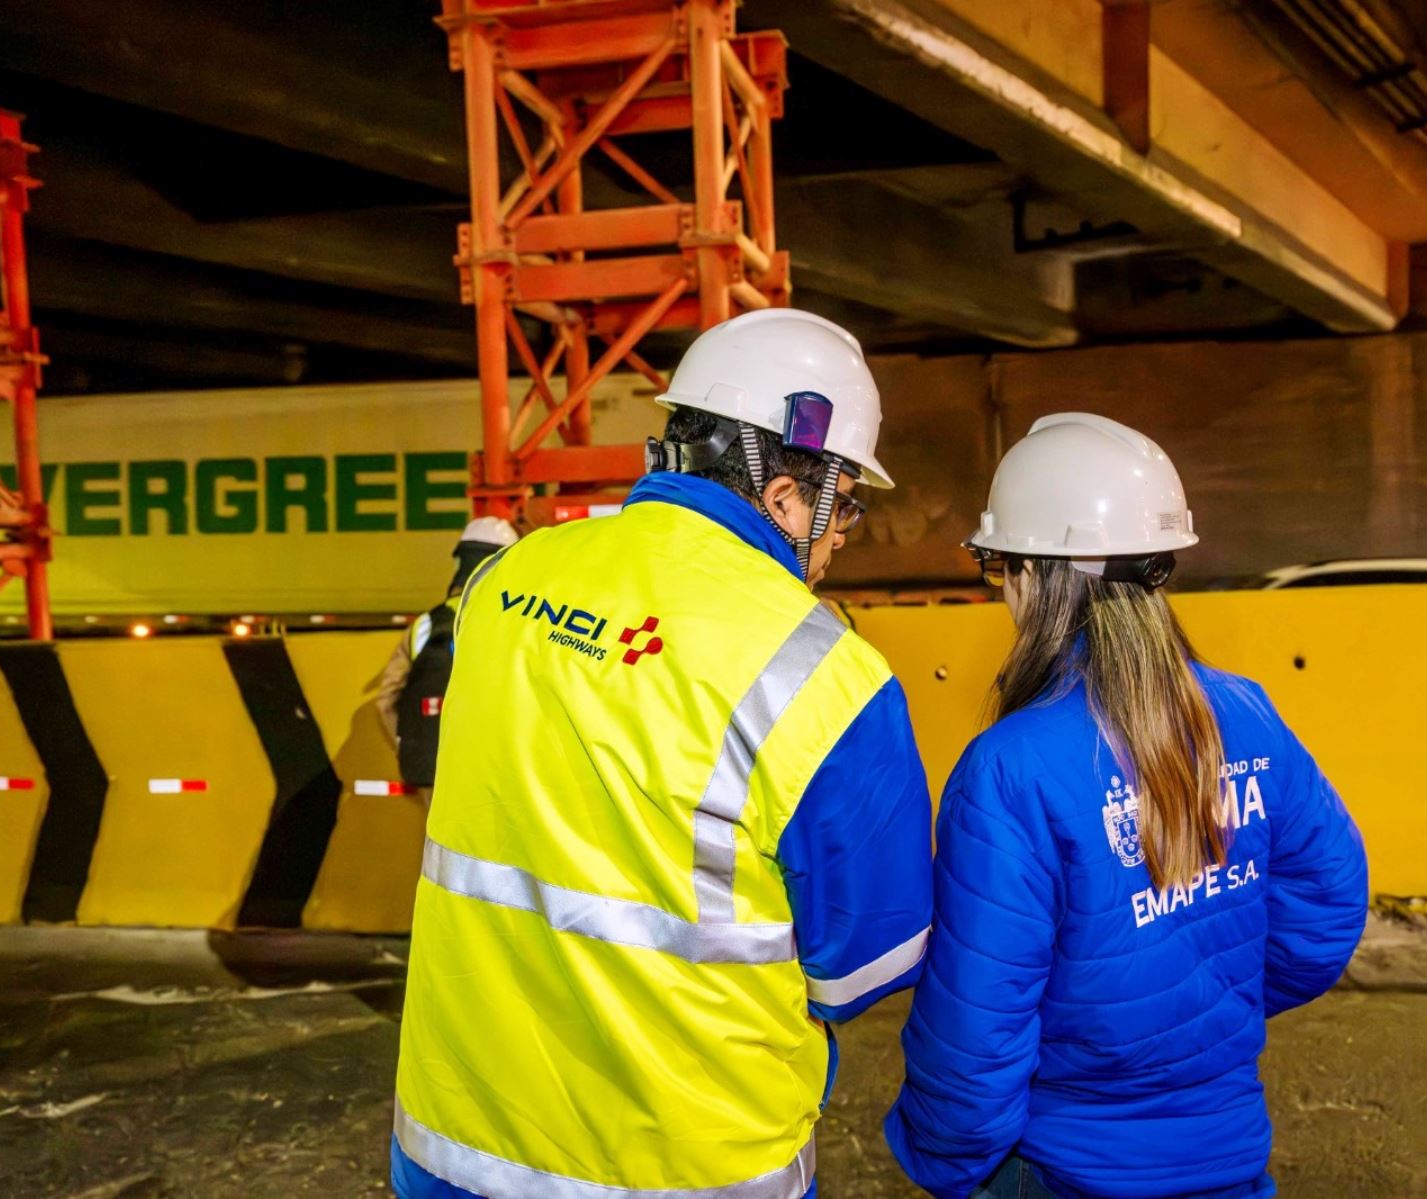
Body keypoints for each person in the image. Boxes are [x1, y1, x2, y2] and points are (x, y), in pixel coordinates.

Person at [391, 308, 934, 1199]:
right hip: (681, 1170)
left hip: (454, 1146)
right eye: (847, 503)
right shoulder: (825, 672)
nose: (845, 533)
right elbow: (861, 967)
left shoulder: (503, 587)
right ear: (788, 494)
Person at [885, 413, 1369, 1199]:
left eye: (997, 565)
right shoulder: (1248, 714)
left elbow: (976, 1028)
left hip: (1066, 1166)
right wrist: (1197, 1026)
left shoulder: (1011, 768)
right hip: (1228, 1155)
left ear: (1038, 574)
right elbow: (1329, 908)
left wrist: (947, 1163)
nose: (1001, 587)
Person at [374, 516, 518, 802]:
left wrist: (414, 742)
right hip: (496, 770)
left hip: (436, 768)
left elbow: (386, 700)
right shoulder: (513, 621)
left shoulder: (426, 625)